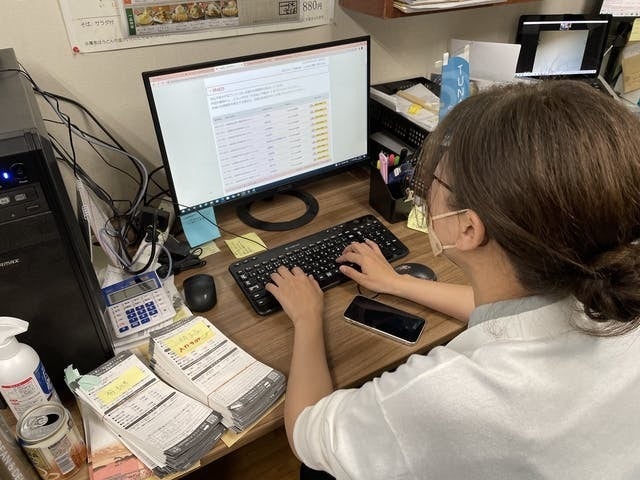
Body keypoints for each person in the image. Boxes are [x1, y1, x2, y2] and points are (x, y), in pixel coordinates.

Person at [265, 80, 640, 479]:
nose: (424, 190)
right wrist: (398, 283)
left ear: (468, 228)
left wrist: (307, 318)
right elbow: (521, 317)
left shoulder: (450, 393)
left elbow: (306, 429)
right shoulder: (612, 293)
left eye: (433, 181)